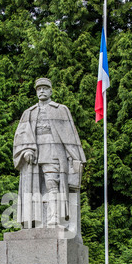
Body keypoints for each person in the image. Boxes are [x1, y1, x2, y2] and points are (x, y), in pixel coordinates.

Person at [13, 78, 86, 227]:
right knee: (33, 189)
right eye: (39, 89)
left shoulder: (61, 110)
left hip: (53, 152)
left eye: (45, 88)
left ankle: (54, 218)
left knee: (52, 184)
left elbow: (70, 135)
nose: (41, 91)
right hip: (33, 155)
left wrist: (74, 157)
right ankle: (35, 222)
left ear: (51, 91)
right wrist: (26, 150)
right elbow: (20, 136)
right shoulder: (29, 113)